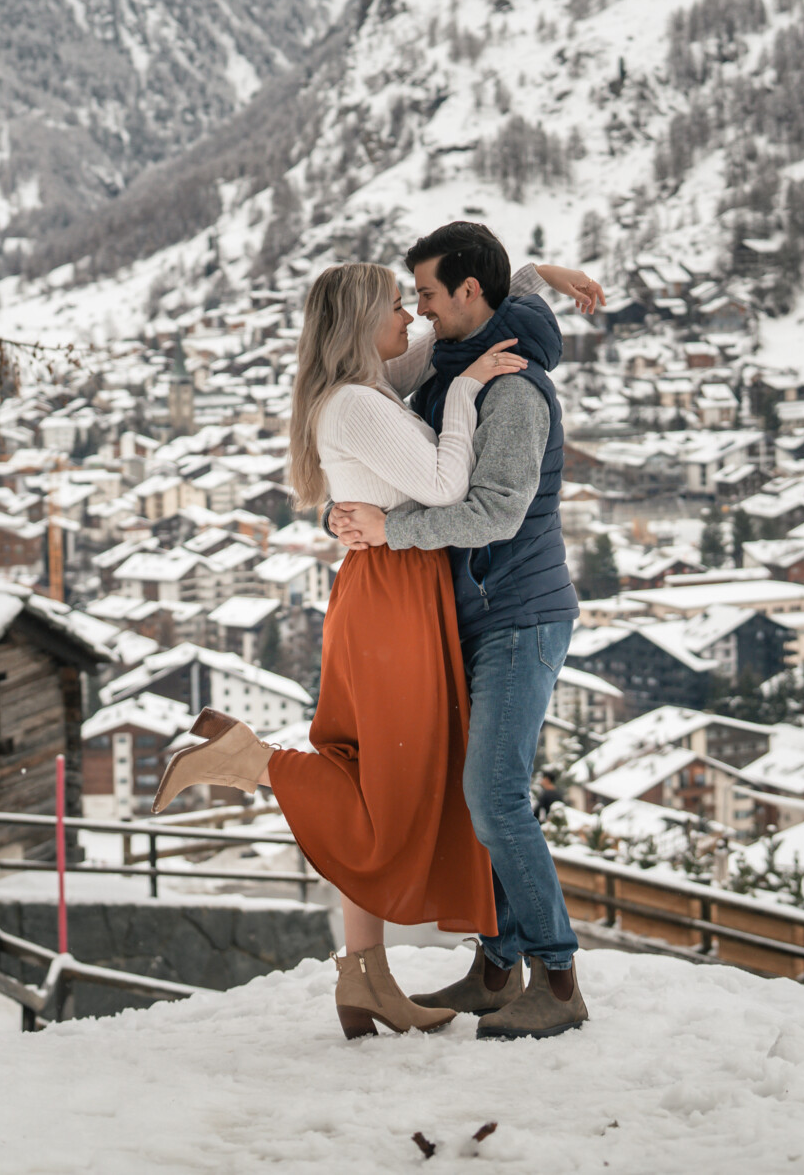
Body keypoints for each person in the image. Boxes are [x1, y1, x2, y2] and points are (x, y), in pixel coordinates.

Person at [150, 256, 582, 1038]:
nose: (412, 317)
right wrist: (453, 400)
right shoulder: (360, 400)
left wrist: (535, 278)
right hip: (396, 602)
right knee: (394, 785)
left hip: (411, 595)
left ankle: (371, 976)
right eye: (397, 303)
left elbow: (470, 317)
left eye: (418, 298)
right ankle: (251, 760)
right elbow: (448, 483)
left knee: (403, 779)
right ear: (362, 324)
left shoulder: (379, 380)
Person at [331, 221, 601, 1041]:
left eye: (427, 294)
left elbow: (495, 509)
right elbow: (499, 290)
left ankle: (557, 977)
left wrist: (388, 531)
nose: (416, 312)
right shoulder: (460, 355)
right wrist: (539, 272)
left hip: (519, 612)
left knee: (493, 797)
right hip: (475, 615)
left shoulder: (511, 388)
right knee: (470, 790)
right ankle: (496, 962)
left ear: (469, 295)